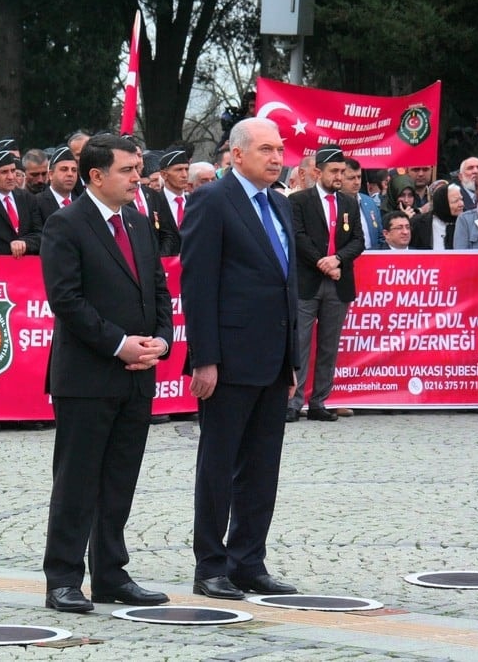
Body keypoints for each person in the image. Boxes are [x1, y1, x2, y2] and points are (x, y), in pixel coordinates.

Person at [40, 134, 173, 613]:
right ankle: (63, 578)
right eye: (128, 170)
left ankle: (111, 574)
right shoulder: (65, 224)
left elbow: (156, 288)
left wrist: (162, 338)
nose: (138, 177)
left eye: (138, 168)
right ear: (96, 176)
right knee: (77, 480)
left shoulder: (138, 221)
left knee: (120, 478)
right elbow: (67, 300)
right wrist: (120, 345)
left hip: (138, 374)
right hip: (87, 377)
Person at [180, 117, 299, 599]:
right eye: (267, 149)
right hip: (228, 361)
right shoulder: (212, 200)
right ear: (237, 153)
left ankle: (249, 560)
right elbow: (198, 284)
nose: (277, 158)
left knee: (262, 465)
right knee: (219, 464)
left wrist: (291, 359)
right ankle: (211, 565)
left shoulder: (280, 205)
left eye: (280, 149)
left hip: (273, 362)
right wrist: (204, 358)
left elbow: (286, 285)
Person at [288, 144, 365, 423]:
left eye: (342, 172)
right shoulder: (299, 201)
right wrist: (323, 261)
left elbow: (358, 241)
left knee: (329, 345)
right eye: (334, 171)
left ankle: (319, 401)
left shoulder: (348, 202)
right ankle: (294, 402)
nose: (339, 177)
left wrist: (337, 260)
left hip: (338, 283)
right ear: (318, 171)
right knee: (301, 342)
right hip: (308, 281)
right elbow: (297, 237)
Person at [410, 183, 465, 250]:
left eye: (461, 199)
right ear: (443, 203)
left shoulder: (467, 223)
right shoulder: (418, 223)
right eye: (455, 201)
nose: (461, 204)